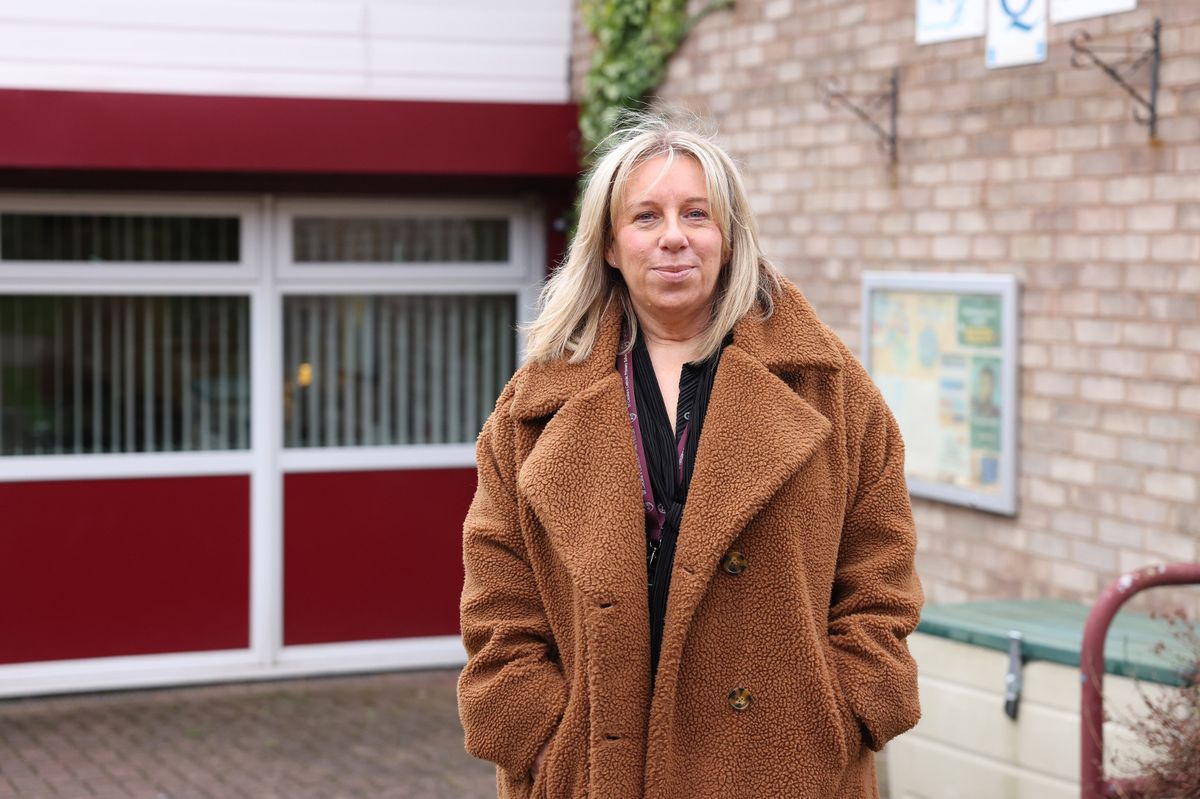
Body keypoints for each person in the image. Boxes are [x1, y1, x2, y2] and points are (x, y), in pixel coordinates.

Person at [457, 113, 923, 799]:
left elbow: (880, 574)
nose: (674, 237)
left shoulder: (831, 390)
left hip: (786, 770)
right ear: (611, 245)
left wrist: (847, 706)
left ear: (728, 237)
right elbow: (498, 600)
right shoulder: (532, 408)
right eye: (646, 216)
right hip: (593, 772)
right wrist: (540, 732)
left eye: (696, 214)